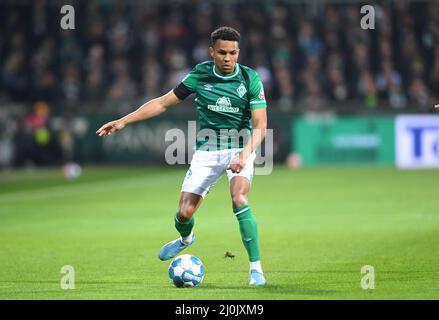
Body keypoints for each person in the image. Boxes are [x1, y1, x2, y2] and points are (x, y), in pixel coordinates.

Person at [96, 26, 267, 286]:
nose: (228, 58)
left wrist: (244, 154)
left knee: (239, 199)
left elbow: (261, 126)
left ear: (238, 52)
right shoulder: (199, 75)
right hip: (208, 151)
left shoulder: (249, 78)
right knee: (184, 214)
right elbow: (164, 102)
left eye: (233, 53)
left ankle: (256, 269)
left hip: (240, 147)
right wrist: (124, 121)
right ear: (212, 52)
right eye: (222, 52)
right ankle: (186, 239)